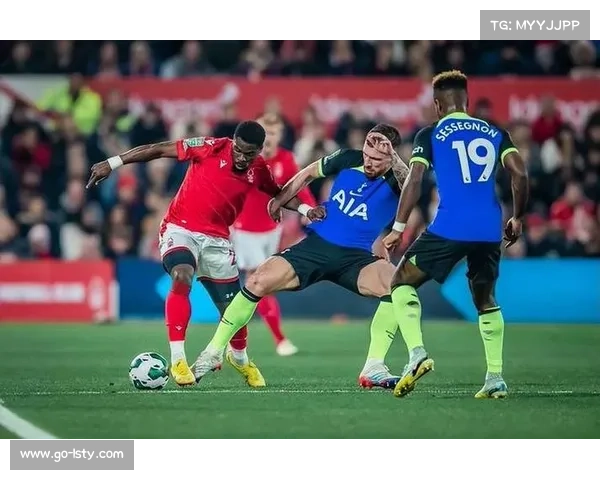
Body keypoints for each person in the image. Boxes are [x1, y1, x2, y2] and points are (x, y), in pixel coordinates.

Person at [86, 120, 324, 387]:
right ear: (233, 142)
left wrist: (306, 210)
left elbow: (279, 194)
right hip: (180, 228)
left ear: (258, 151)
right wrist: (113, 163)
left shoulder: (258, 169)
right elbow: (157, 149)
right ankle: (178, 359)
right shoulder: (209, 147)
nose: (241, 157)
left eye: (249, 153)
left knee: (234, 308)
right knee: (182, 275)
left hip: (218, 240)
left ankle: (240, 358)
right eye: (238, 150)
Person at [193, 124, 411, 389]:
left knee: (397, 286)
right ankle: (213, 352)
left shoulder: (400, 179)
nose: (368, 161)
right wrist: (279, 199)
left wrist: (395, 159)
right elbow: (307, 173)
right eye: (367, 153)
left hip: (357, 257)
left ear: (391, 155)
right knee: (257, 280)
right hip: (317, 247)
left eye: (377, 158)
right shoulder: (347, 158)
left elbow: (413, 185)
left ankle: (374, 367)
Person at [381, 70, 529, 399]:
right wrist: (518, 218)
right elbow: (519, 173)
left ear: (437, 105)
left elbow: (415, 180)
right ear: (467, 101)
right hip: (489, 228)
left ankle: (417, 354)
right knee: (485, 299)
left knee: (401, 281)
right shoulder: (495, 131)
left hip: (450, 226)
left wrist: (398, 228)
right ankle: (495, 377)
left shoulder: (430, 134)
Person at [231, 114, 316, 357]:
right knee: (259, 283)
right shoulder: (246, 159)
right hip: (245, 230)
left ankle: (233, 334)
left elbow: (298, 185)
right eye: (265, 132)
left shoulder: (286, 159)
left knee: (258, 285)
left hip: (271, 230)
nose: (269, 138)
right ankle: (279, 340)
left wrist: (309, 208)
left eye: (273, 133)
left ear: (280, 135)